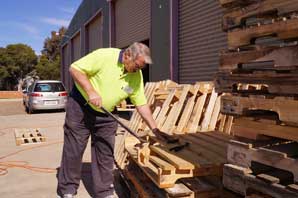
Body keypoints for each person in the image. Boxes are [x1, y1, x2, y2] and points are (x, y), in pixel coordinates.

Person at [57, 42, 165, 198]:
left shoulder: (135, 76)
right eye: (137, 66)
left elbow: (140, 103)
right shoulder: (104, 56)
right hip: (80, 108)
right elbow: (75, 68)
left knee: (105, 152)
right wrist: (91, 91)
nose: (138, 70)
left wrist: (154, 128)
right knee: (74, 150)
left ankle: (104, 191)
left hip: (107, 114)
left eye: (141, 68)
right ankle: (68, 189)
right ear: (127, 55)